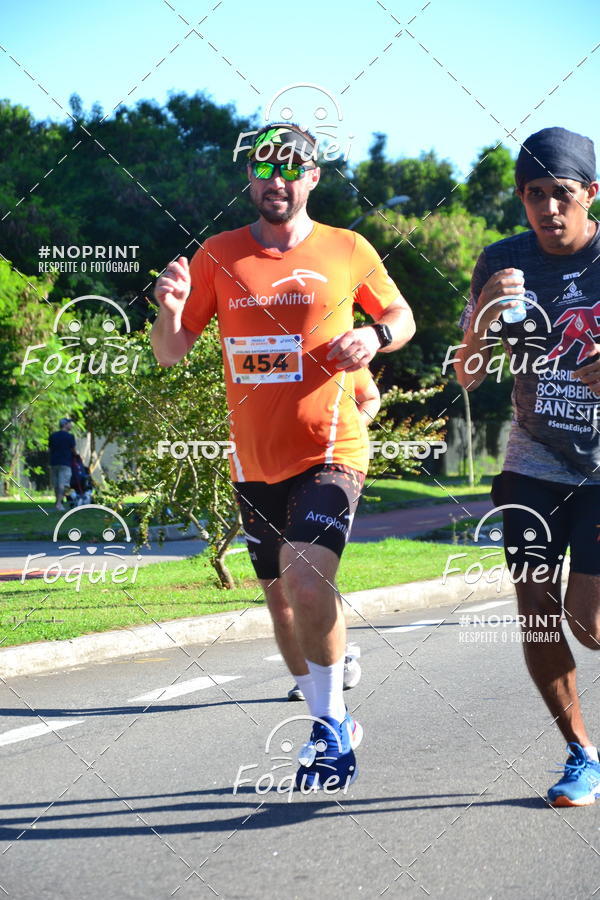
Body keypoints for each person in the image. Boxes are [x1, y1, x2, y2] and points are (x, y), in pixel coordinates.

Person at [151, 123, 415, 789]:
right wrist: (170, 308)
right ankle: (330, 708)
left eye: (292, 168)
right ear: (249, 177)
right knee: (281, 601)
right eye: (266, 167)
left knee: (304, 577)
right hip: (254, 462)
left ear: (313, 177)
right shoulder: (217, 255)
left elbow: (402, 316)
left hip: (331, 449)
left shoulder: (347, 248)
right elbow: (170, 350)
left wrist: (376, 336)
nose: (278, 180)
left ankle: (329, 730)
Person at [454, 126, 600, 806]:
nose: (548, 208)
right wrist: (483, 313)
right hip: (535, 457)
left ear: (591, 194)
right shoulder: (501, 260)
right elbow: (468, 374)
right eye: (534, 194)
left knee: (590, 623)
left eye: (562, 195)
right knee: (537, 613)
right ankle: (581, 754)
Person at [287, 367, 381, 701]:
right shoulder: (255, 344)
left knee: (310, 570)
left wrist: (349, 429)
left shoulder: (331, 348)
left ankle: (332, 666)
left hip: (329, 466)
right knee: (288, 580)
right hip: (267, 470)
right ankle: (320, 664)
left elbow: (370, 396)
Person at [48, 417, 76, 510]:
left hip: (54, 462)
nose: (71, 425)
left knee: (56, 484)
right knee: (63, 484)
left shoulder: (53, 436)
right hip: (65, 463)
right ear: (65, 425)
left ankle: (58, 502)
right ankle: (59, 503)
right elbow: (73, 450)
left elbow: (50, 449)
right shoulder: (70, 436)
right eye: (69, 423)